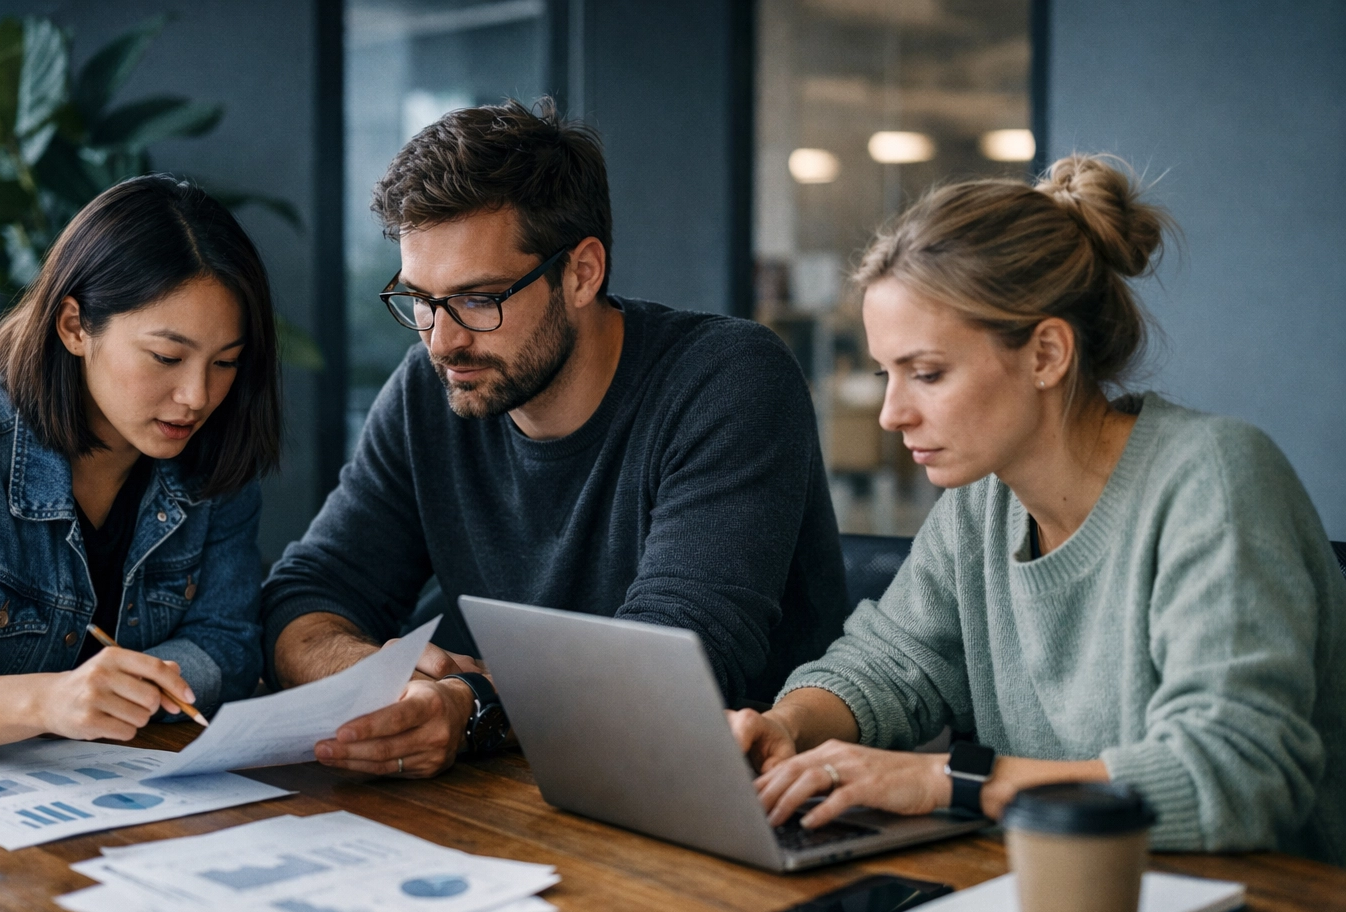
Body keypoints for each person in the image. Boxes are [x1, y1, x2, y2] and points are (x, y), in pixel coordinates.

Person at [730, 155, 1346, 865]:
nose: (892, 415)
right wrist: (788, 724)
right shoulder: (981, 502)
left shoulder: (1215, 480)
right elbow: (893, 663)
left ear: (1047, 353)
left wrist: (947, 783)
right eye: (885, 375)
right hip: (1064, 893)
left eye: (927, 374)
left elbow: (1233, 775)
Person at [263, 99, 846, 778]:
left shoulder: (728, 379)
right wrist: (372, 678)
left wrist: (475, 703)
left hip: (719, 798)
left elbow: (676, 662)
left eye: (479, 298)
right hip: (524, 793)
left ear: (581, 273)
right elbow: (304, 596)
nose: (442, 339)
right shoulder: (433, 387)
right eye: (421, 299)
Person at [0, 175, 282, 764]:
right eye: (166, 357)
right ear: (74, 326)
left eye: (226, 363)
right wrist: (51, 701)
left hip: (100, 792)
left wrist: (138, 687)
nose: (196, 395)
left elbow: (230, 644)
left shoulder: (215, 457)